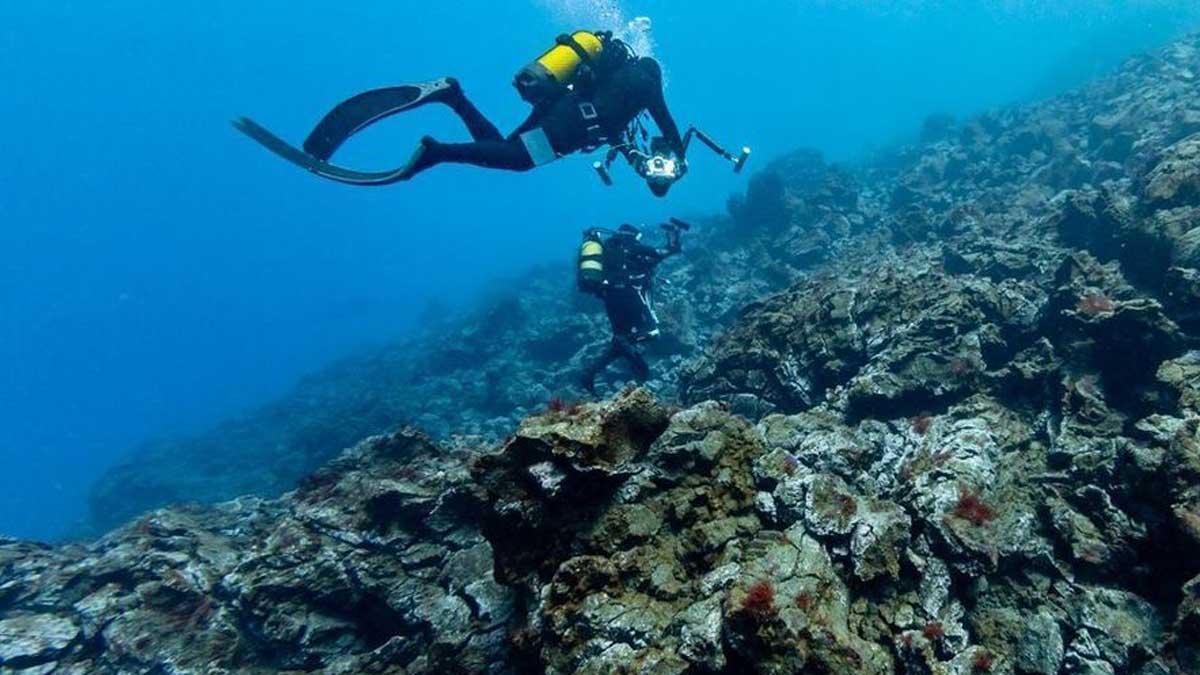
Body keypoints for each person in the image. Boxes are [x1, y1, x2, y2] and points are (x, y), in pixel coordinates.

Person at [233, 29, 688, 196]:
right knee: (518, 162)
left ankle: (452, 96)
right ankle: (436, 152)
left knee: (505, 150)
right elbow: (664, 122)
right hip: (570, 123)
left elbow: (623, 137)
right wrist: (679, 159)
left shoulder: (617, 77)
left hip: (563, 110)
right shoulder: (647, 83)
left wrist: (651, 169)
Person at [579, 220, 688, 393]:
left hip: (610, 298)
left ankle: (589, 373)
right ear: (634, 235)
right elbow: (663, 252)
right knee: (651, 332)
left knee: (620, 337)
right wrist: (674, 238)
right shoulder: (633, 247)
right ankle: (641, 371)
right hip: (630, 296)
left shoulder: (607, 249)